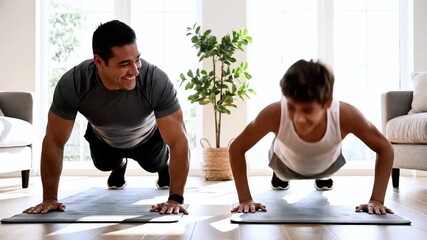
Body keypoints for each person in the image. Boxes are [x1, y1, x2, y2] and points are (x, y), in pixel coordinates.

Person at [24, 20, 189, 215]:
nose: (136, 70)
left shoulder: (155, 80)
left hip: (148, 138)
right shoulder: (75, 83)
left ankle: (164, 168)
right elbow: (53, 141)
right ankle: (120, 164)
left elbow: (178, 141)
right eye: (124, 64)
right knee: (103, 164)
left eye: (137, 59)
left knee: (156, 164)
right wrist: (49, 198)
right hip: (104, 138)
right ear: (99, 62)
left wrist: (175, 198)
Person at [229, 59, 394, 215]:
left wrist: (377, 200)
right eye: (291, 108)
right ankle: (279, 175)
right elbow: (237, 148)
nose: (299, 118)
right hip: (283, 165)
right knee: (281, 144)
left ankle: (322, 175)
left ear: (327, 102)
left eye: (307, 110)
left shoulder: (346, 115)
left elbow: (385, 148)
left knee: (326, 156)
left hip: (327, 164)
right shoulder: (275, 112)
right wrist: (245, 199)